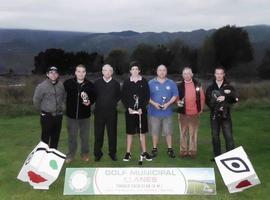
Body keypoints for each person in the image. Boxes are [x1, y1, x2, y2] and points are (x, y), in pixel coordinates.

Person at [64, 64, 96, 163]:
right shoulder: (68, 83)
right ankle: (71, 155)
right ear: (75, 72)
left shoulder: (90, 85)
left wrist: (89, 101)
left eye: (83, 71)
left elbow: (93, 98)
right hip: (71, 116)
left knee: (85, 137)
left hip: (85, 117)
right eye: (79, 71)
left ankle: (84, 154)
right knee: (72, 137)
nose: (81, 73)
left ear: (85, 73)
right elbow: (61, 96)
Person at [206, 66, 238, 161]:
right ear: (215, 74)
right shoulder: (210, 88)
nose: (219, 75)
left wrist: (226, 98)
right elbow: (207, 101)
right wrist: (215, 105)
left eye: (221, 73)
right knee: (215, 137)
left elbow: (235, 99)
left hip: (226, 115)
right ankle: (218, 157)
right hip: (214, 116)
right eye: (217, 73)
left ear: (223, 74)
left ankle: (230, 158)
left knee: (228, 136)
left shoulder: (229, 86)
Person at [121, 61, 152, 162]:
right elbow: (123, 97)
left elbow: (147, 96)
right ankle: (128, 153)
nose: (134, 71)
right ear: (130, 71)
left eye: (136, 69)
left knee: (141, 132)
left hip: (141, 111)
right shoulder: (126, 82)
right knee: (130, 133)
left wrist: (141, 107)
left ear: (139, 70)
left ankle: (144, 152)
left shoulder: (144, 81)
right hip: (130, 111)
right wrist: (128, 107)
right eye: (132, 69)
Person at [148, 64, 179, 158]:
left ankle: (170, 149)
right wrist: (154, 104)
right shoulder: (150, 83)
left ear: (166, 72)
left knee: (168, 132)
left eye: (164, 70)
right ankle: (154, 149)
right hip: (154, 112)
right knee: (154, 132)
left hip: (167, 112)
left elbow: (175, 95)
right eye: (160, 70)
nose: (162, 72)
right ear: (157, 72)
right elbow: (146, 96)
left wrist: (168, 103)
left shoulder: (171, 83)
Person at [33, 66, 65, 149]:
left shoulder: (61, 85)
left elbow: (64, 98)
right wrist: (43, 110)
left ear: (58, 75)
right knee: (45, 139)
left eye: (55, 73)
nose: (53, 75)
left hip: (58, 116)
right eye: (51, 73)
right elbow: (36, 100)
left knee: (55, 138)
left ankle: (51, 159)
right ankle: (42, 158)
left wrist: (62, 107)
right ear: (47, 74)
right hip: (47, 116)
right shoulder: (41, 86)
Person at [94, 64, 121, 161]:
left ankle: (112, 153)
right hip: (99, 113)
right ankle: (98, 154)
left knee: (112, 134)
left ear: (112, 72)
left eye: (109, 70)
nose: (107, 72)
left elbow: (118, 97)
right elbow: (94, 96)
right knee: (98, 134)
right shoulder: (96, 83)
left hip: (112, 113)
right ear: (102, 71)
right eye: (105, 70)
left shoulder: (116, 84)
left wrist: (111, 103)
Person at [177, 67, 205, 159]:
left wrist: (200, 109)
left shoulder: (197, 84)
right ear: (182, 75)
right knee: (183, 133)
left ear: (192, 74)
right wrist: (177, 102)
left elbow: (202, 97)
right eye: (185, 73)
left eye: (189, 73)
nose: (187, 75)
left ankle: (192, 151)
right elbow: (175, 97)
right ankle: (183, 151)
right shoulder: (179, 85)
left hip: (194, 113)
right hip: (182, 113)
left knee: (193, 134)